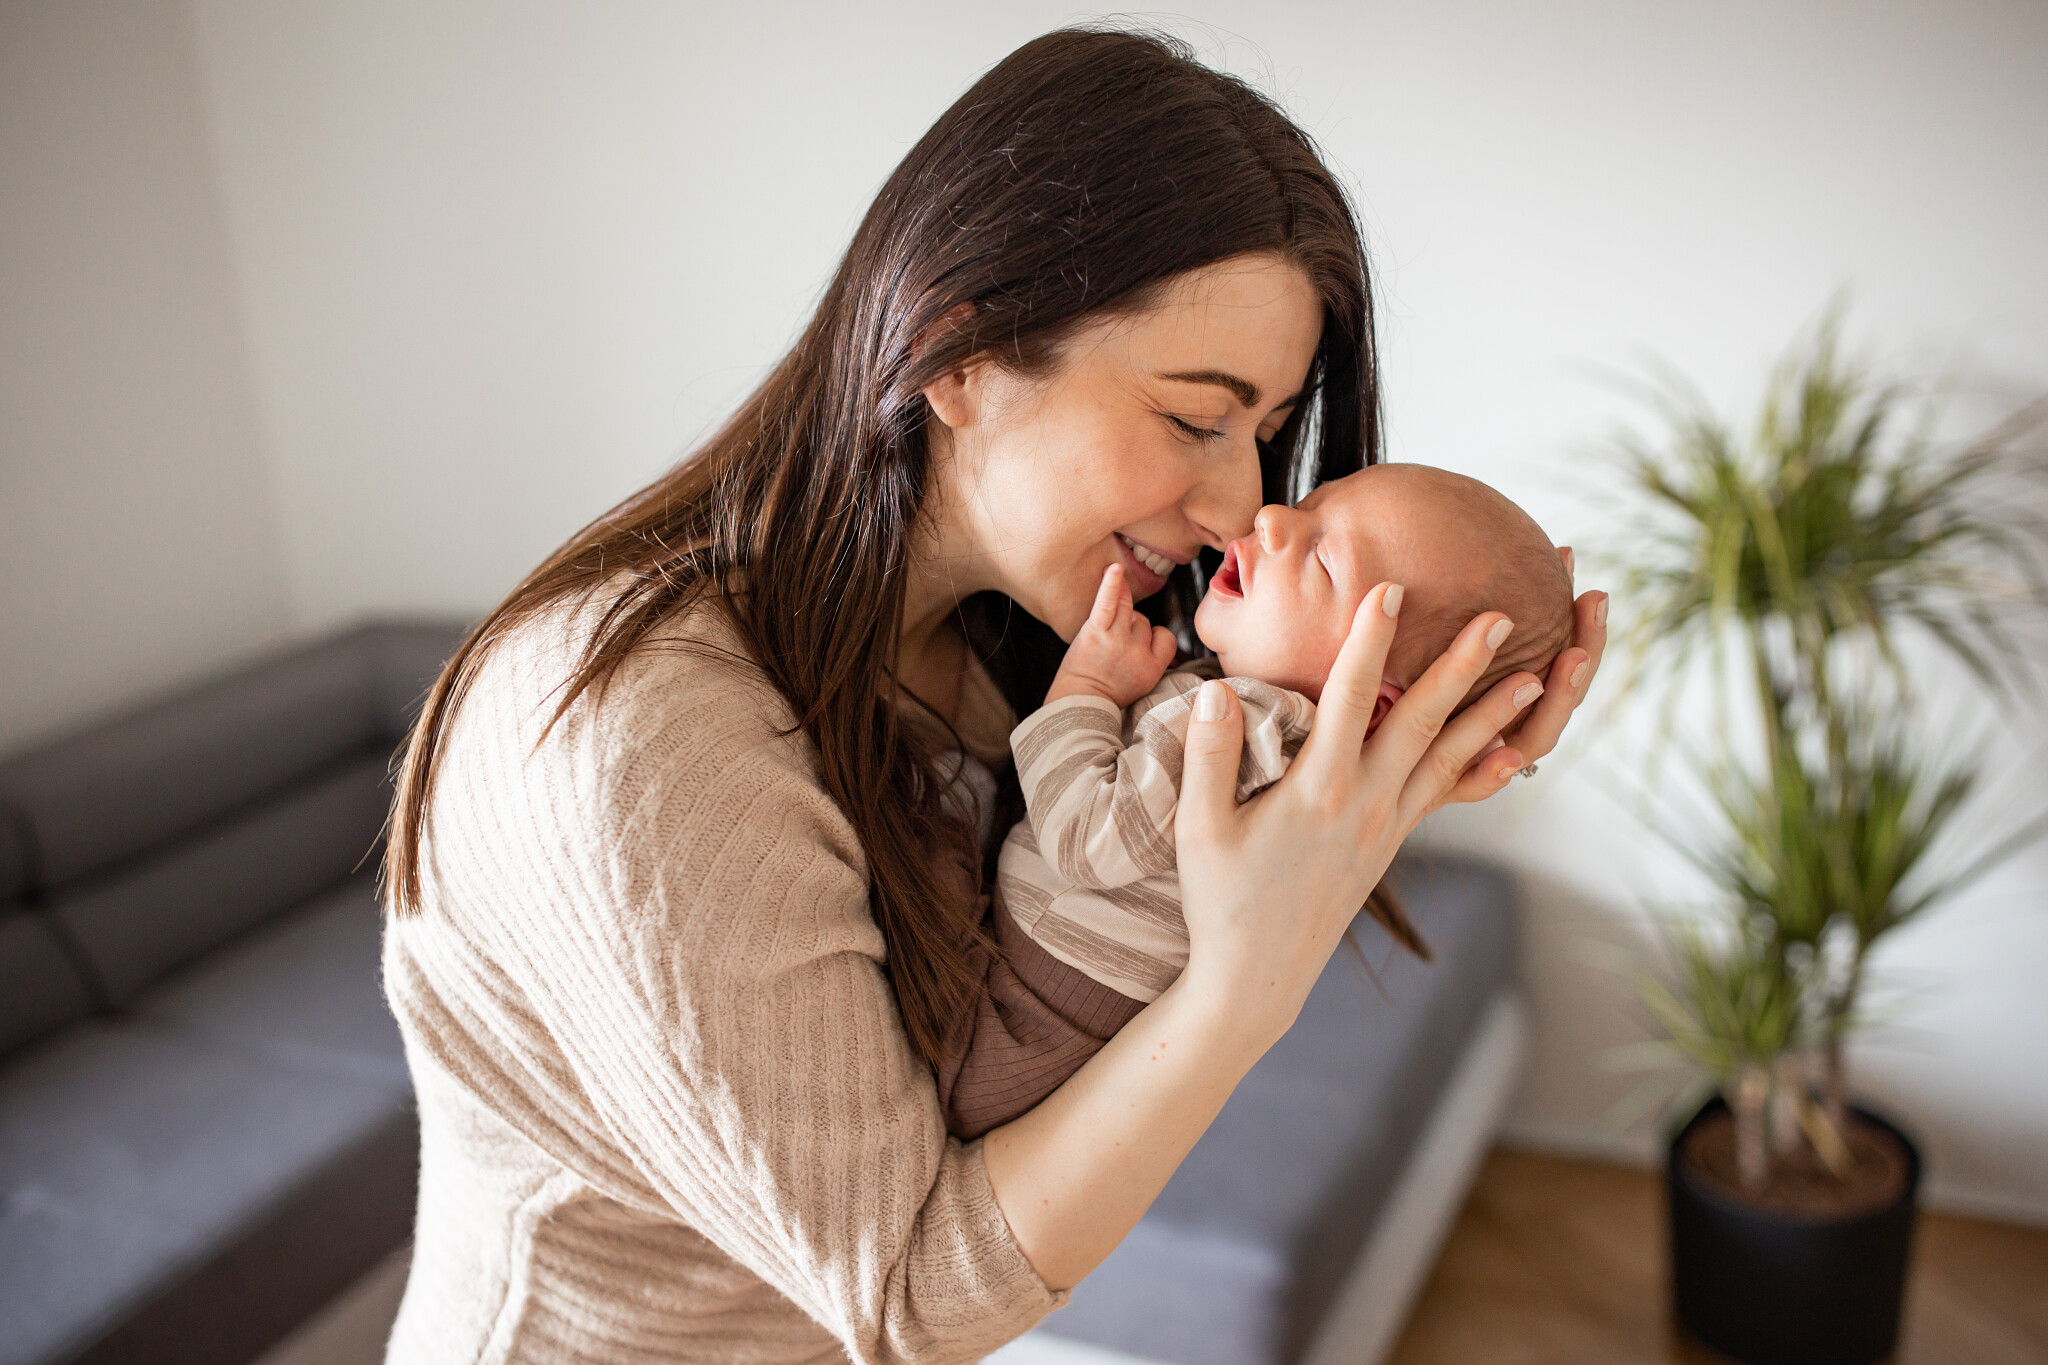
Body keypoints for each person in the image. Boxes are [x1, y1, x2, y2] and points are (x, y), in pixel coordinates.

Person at [377, 26, 1607, 1365]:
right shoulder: (644, 738)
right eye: (1196, 417)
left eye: (1264, 436)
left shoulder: (1016, 639)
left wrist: (1409, 750)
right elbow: (910, 1296)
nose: (1242, 503)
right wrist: (1243, 991)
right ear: (958, 349)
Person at [961, 465, 1572, 1092]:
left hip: (1023, 1026)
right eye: (1307, 505)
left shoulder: (1247, 728)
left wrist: (1086, 688)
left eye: (1324, 561)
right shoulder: (1287, 751)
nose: (1271, 518)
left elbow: (1084, 837)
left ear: (1373, 705)